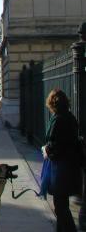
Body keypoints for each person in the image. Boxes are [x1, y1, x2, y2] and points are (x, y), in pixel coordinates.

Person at [42, 89, 82, 232]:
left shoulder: (58, 119)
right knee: (61, 205)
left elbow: (56, 145)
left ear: (52, 103)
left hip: (61, 168)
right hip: (70, 166)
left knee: (61, 207)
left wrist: (46, 150)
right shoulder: (70, 117)